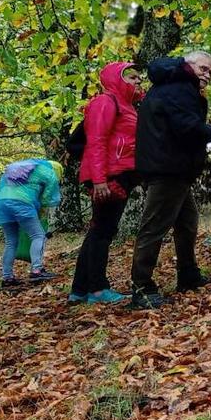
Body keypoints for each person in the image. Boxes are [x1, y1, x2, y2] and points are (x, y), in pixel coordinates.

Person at [129, 51, 211, 310]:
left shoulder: (173, 85)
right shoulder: (179, 89)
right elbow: (187, 128)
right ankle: (142, 287)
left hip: (173, 169)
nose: (207, 75)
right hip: (167, 169)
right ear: (187, 65)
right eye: (204, 68)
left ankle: (188, 274)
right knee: (154, 227)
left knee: (187, 222)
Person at [69, 61, 143, 304]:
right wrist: (100, 179)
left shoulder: (128, 106)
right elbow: (97, 141)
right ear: (117, 79)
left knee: (99, 231)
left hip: (120, 173)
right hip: (109, 175)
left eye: (138, 77)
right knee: (102, 232)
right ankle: (98, 289)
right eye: (131, 77)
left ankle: (79, 290)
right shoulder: (105, 101)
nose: (137, 81)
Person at [0, 159, 62, 287]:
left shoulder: (20, 167)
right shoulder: (49, 172)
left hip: (1, 203)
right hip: (22, 203)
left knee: (11, 241)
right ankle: (37, 269)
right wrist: (41, 210)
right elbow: (48, 198)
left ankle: (7, 277)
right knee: (38, 235)